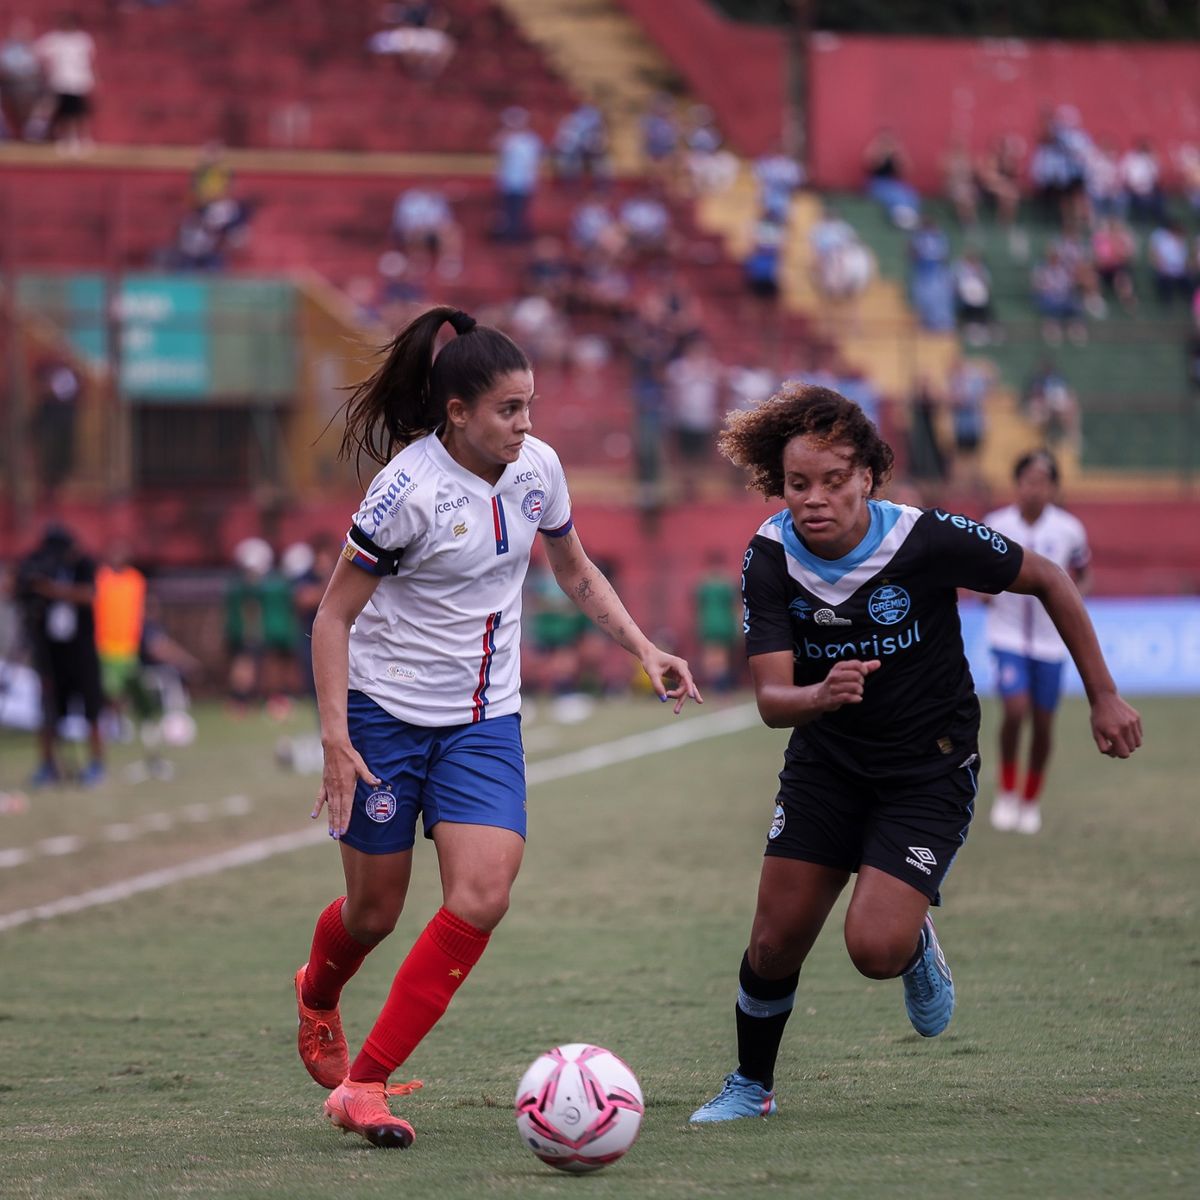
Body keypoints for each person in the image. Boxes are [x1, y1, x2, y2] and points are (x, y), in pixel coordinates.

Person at [295, 305, 701, 1148]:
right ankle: (319, 990)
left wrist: (644, 647)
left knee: (482, 895)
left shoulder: (539, 469)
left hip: (482, 722)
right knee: (372, 915)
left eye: (532, 407)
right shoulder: (403, 492)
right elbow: (332, 618)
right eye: (510, 410)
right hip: (383, 716)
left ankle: (362, 1085)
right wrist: (337, 737)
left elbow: (575, 571)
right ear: (458, 414)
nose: (527, 425)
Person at [687, 385, 1140, 1123]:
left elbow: (1049, 579)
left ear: (868, 474)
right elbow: (773, 701)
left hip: (927, 770)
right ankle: (750, 1086)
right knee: (772, 945)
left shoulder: (924, 540)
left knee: (873, 948)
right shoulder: (769, 556)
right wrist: (821, 695)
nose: (815, 499)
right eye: (799, 484)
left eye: (834, 481)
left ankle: (914, 942)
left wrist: (1104, 696)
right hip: (827, 766)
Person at [983, 451, 1091, 834]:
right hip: (1007, 636)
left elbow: (1081, 575)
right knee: (1015, 711)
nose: (1035, 488)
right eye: (1028, 480)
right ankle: (1007, 792)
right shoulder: (996, 525)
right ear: (1017, 484)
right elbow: (979, 573)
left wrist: (1072, 604)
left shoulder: (1069, 529)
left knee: (1044, 723)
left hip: (1051, 643)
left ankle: (1030, 800)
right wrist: (985, 592)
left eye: (1043, 481)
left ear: (1054, 487)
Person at [15, 523, 106, 787]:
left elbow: (89, 595)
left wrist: (51, 589)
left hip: (82, 651)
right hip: (51, 652)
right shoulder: (39, 565)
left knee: (92, 711)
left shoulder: (84, 565)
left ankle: (96, 764)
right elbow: (19, 592)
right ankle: (48, 765)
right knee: (49, 711)